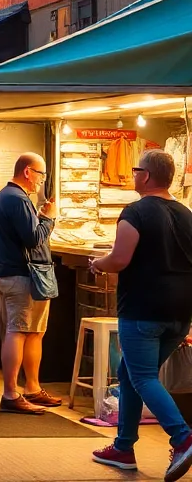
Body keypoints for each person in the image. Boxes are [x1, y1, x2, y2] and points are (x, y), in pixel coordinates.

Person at [89, 150, 192, 478]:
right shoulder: (187, 214)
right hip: (180, 313)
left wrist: (97, 263)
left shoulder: (136, 212)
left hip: (143, 309)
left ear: (146, 176)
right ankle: (123, 448)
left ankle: (183, 437)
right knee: (131, 371)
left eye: (136, 170)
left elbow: (119, 259)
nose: (133, 175)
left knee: (143, 375)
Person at [0, 152, 61, 414]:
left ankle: (32, 387)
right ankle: (11, 393)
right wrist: (48, 218)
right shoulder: (17, 199)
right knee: (18, 331)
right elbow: (33, 238)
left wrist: (40, 216)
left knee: (33, 332)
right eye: (40, 175)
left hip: (13, 274)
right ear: (28, 172)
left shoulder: (5, 197)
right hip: (22, 276)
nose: (41, 181)